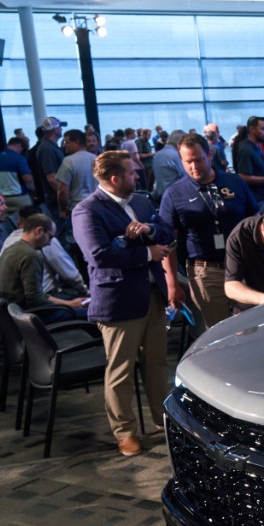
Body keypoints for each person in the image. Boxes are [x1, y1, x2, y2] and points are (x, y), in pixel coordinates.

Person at [71, 150, 174, 457]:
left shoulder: (141, 201)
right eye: (132, 173)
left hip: (152, 297)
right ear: (115, 179)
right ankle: (125, 432)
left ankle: (162, 420)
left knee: (157, 364)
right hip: (118, 302)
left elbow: (166, 231)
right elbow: (99, 256)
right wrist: (146, 253)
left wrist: (148, 231)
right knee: (121, 372)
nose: (138, 176)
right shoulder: (87, 211)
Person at [159, 132, 258, 331]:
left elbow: (254, 221)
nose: (194, 167)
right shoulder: (174, 193)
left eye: (198, 160)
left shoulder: (234, 183)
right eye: (188, 162)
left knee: (252, 326)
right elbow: (166, 243)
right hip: (205, 272)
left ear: (210, 155)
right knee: (218, 331)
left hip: (242, 267)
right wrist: (172, 285)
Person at [0, 213, 87, 322]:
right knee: (90, 312)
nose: (49, 243)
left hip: (15, 314)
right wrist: (70, 304)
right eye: (50, 237)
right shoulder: (31, 255)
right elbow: (35, 300)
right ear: (39, 231)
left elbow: (34, 295)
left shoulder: (9, 249)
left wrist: (70, 303)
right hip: (30, 315)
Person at [0, 136, 34, 216]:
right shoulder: (19, 158)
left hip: (1, 199)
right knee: (27, 222)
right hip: (19, 198)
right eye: (21, 148)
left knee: (7, 225)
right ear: (18, 145)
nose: (21, 151)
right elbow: (27, 179)